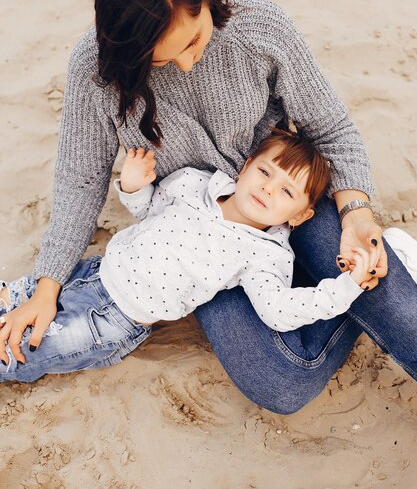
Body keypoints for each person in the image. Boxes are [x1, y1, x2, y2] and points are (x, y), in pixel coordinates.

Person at [0, 0, 415, 411]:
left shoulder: (258, 25)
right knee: (282, 385)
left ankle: (348, 279)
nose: (187, 62)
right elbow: (80, 181)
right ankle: (331, 295)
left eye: (195, 38)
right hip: (203, 249)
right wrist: (48, 286)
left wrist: (357, 213)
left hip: (286, 196)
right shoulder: (96, 71)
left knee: (390, 297)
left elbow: (332, 128)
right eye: (162, 58)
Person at [0, 129, 377, 382]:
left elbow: (279, 310)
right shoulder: (196, 184)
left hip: (114, 321)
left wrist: (346, 287)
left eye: (287, 192)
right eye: (264, 171)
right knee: (12, 299)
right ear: (245, 167)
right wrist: (132, 185)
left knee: (21, 349)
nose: (267, 188)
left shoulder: (265, 255)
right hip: (93, 272)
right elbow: (148, 210)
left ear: (299, 216)